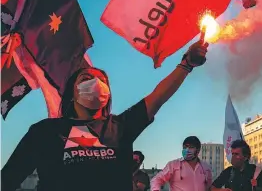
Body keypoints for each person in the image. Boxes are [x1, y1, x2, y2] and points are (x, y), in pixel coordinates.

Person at [1, 41, 208, 191]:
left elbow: (157, 97)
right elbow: (7, 180)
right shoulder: (44, 131)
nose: (94, 82)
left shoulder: (120, 126)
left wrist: (186, 64)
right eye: (86, 78)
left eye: (101, 80)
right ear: (72, 92)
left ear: (107, 94)